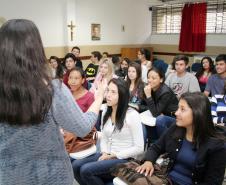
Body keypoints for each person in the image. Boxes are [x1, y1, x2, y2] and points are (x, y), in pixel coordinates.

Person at [0, 19, 106, 185]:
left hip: (9, 175)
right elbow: (83, 127)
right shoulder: (52, 89)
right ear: (36, 49)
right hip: (50, 175)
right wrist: (99, 97)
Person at [136, 92, 226, 185]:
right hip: (166, 180)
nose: (176, 113)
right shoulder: (176, 128)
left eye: (182, 109)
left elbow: (213, 183)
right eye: (178, 108)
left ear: (198, 113)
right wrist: (148, 161)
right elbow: (156, 147)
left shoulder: (217, 146)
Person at [72, 78, 144, 185]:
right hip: (107, 153)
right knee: (75, 165)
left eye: (113, 92)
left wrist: (114, 155)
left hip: (124, 158)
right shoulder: (106, 109)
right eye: (108, 90)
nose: (108, 95)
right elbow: (105, 137)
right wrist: (105, 152)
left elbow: (139, 148)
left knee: (86, 170)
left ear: (122, 96)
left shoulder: (132, 115)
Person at [143, 67, 178, 137]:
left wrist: (148, 96)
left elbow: (155, 113)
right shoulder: (150, 88)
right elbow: (149, 106)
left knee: (159, 120)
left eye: (153, 78)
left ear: (161, 79)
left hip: (172, 117)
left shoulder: (165, 92)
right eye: (148, 77)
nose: (150, 80)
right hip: (161, 114)